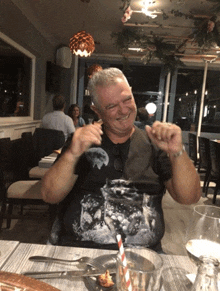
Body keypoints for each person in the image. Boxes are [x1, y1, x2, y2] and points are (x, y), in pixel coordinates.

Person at [41, 68, 201, 251]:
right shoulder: (81, 141)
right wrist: (71, 154)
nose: (124, 110)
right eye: (111, 106)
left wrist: (177, 152)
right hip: (80, 253)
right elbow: (49, 195)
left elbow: (190, 198)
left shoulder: (156, 143)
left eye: (127, 100)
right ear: (97, 110)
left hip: (142, 259)